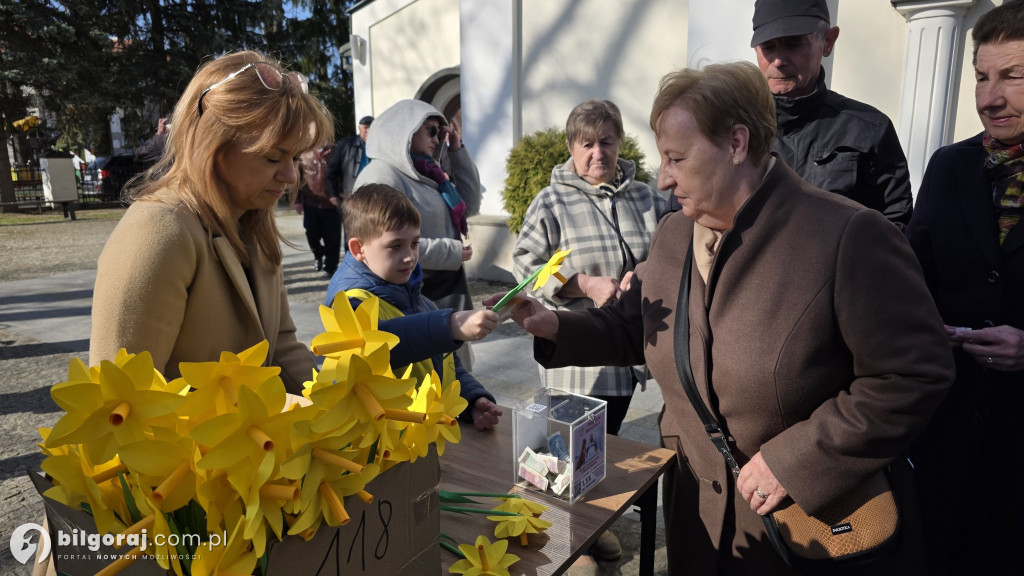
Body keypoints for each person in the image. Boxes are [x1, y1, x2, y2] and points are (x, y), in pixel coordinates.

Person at [488, 62, 954, 575]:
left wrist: (795, 462)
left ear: (736, 144)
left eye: (677, 158)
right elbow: (637, 327)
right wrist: (552, 324)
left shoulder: (848, 236)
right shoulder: (673, 236)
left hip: (801, 529)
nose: (663, 177)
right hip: (697, 525)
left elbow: (913, 374)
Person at [90, 51, 331, 393]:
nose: (291, 175)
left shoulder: (253, 223)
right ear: (213, 143)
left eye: (294, 156)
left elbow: (281, 350)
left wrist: (338, 413)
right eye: (273, 157)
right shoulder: (158, 230)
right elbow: (119, 400)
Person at [906, 2, 1024, 573]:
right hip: (946, 434)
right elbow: (913, 274)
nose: (987, 98)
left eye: (1012, 76)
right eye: (981, 76)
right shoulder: (949, 165)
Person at [513, 99, 667, 438]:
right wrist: (582, 283)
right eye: (588, 144)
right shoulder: (551, 201)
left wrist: (643, 276)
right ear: (571, 147)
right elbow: (526, 267)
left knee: (610, 458)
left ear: (619, 144)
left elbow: (671, 253)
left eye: (606, 142)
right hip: (574, 362)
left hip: (626, 359)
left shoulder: (647, 198)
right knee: (573, 459)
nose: (598, 152)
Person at [323, 184, 502, 430]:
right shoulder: (350, 302)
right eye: (395, 246)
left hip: (425, 433)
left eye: (415, 243)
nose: (409, 256)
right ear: (358, 249)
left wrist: (471, 399)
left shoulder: (414, 294)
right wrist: (448, 326)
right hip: (386, 443)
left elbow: (446, 363)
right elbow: (383, 345)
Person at [750, 0, 913, 228]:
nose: (778, 60)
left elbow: (895, 227)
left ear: (827, 42)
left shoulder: (869, 130)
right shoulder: (729, 127)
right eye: (768, 46)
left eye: (793, 43)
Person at [354, 99, 481, 315]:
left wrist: (457, 150)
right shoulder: (381, 176)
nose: (436, 139)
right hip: (411, 292)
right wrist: (452, 251)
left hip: (442, 283)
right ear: (407, 130)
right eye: (431, 131)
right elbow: (384, 244)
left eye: (439, 134)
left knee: (453, 346)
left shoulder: (428, 173)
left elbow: (470, 205)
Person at [294, 145, 342, 275]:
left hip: (332, 205)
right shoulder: (304, 154)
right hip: (311, 203)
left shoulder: (337, 151)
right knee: (312, 235)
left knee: (333, 239)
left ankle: (331, 268)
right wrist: (297, 200)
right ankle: (318, 254)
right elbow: (297, 179)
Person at [327, 115, 372, 201]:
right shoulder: (345, 145)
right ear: (359, 129)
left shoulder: (380, 146)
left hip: (373, 194)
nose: (368, 131)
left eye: (371, 127)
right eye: (366, 128)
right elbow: (332, 171)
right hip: (350, 194)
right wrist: (332, 194)